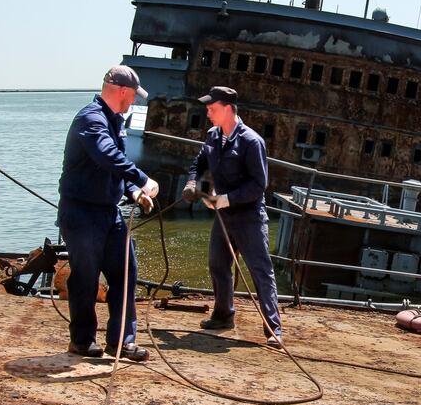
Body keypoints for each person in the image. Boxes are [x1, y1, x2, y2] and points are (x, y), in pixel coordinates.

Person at [57, 65, 157, 361]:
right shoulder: (91, 119)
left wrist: (133, 191)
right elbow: (105, 155)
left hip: (108, 212)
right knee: (86, 277)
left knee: (126, 271)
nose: (134, 102)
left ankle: (121, 342)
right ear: (123, 92)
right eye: (133, 96)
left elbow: (115, 166)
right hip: (82, 213)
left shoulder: (114, 120)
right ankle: (82, 340)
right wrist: (142, 178)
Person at [182, 86, 283, 346]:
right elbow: (200, 164)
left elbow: (258, 185)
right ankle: (223, 315)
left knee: (261, 271)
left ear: (227, 109)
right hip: (223, 217)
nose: (207, 112)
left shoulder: (252, 141)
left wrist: (227, 198)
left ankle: (273, 329)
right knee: (217, 265)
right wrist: (197, 187)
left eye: (211, 108)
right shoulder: (213, 136)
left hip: (249, 217)